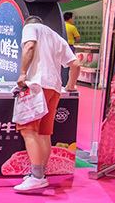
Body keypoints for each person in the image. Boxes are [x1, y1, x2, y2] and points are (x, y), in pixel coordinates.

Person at [13, 16, 80, 192]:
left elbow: (30, 46)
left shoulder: (30, 28)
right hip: (54, 88)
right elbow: (75, 64)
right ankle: (39, 174)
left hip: (36, 86)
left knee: (28, 130)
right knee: (44, 133)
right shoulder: (57, 37)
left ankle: (37, 177)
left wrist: (22, 73)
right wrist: (70, 85)